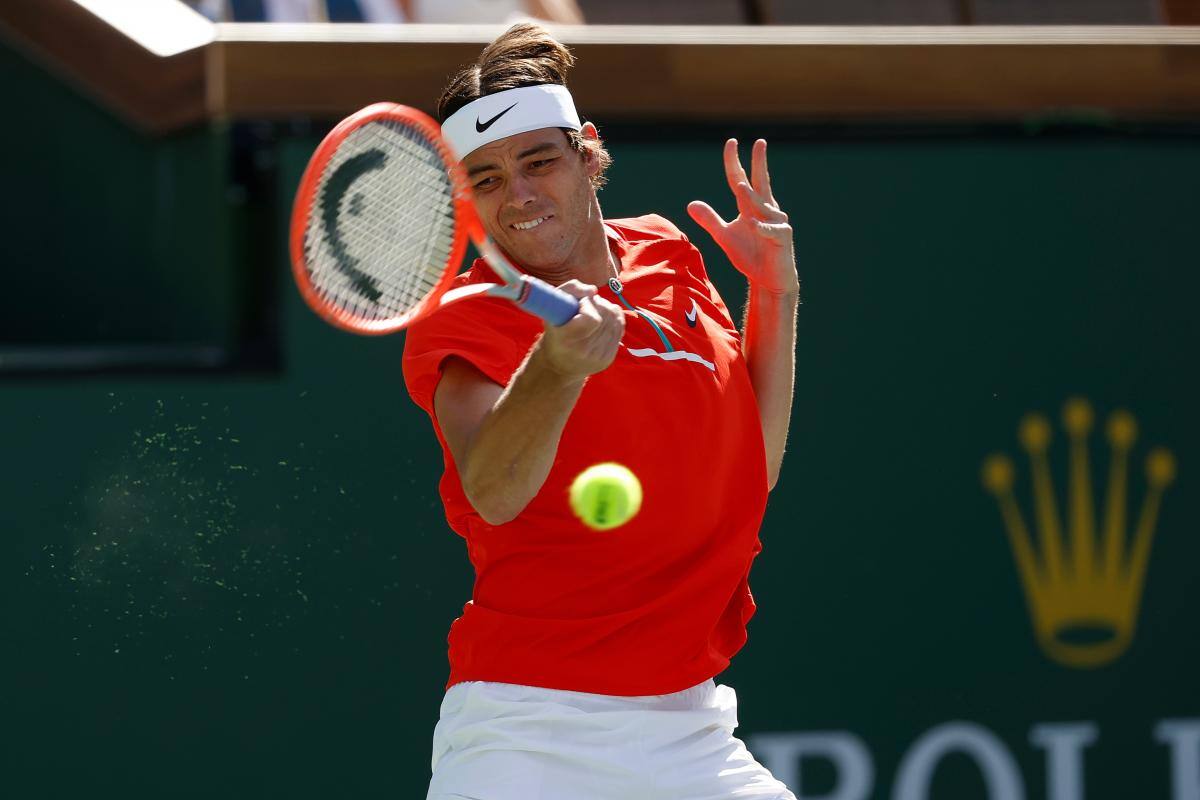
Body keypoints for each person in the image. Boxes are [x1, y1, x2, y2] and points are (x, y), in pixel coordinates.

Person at [401, 22, 799, 800]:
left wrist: (775, 293)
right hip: (528, 732)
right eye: (484, 179)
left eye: (538, 162)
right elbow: (495, 489)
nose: (516, 195)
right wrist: (556, 367)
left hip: (690, 729)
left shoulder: (667, 253)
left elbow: (753, 469)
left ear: (588, 151)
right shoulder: (465, 311)